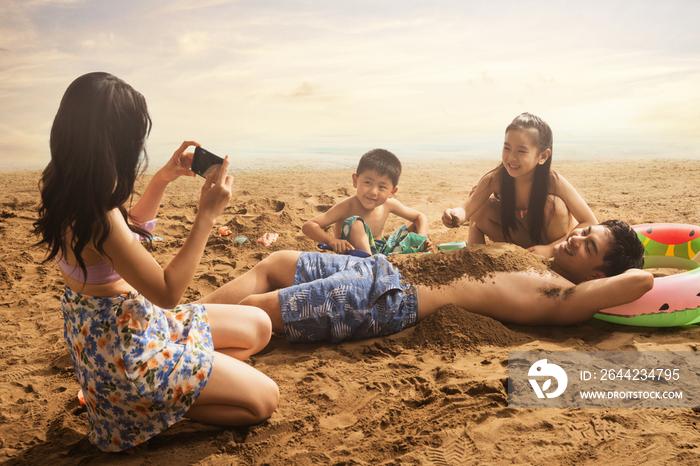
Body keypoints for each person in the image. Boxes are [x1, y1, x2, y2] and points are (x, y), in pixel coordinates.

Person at [33, 72, 278, 452]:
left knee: (259, 326)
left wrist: (163, 179)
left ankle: (173, 387)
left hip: (125, 328)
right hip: (130, 354)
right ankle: (148, 410)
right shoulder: (97, 214)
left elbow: (124, 235)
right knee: (264, 400)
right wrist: (206, 217)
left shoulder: (67, 185)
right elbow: (167, 291)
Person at [199, 220, 652, 343]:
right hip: (381, 266)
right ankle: (173, 320)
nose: (576, 237)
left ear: (597, 275)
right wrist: (592, 235)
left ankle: (170, 338)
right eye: (583, 232)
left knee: (261, 306)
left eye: (588, 246)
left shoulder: (564, 296)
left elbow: (641, 280)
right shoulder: (539, 255)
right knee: (276, 261)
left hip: (387, 297)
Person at [442, 113, 598, 257]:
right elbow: (467, 208)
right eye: (507, 148)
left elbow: (590, 222)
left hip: (556, 244)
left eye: (521, 151)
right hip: (523, 243)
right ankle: (479, 259)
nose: (511, 157)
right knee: (481, 207)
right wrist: (454, 215)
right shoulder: (496, 179)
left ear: (542, 156)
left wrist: (551, 249)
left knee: (553, 205)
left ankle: (550, 256)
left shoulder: (553, 182)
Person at [302, 148, 431, 255]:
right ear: (355, 181)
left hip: (383, 252)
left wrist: (421, 237)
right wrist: (331, 241)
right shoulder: (347, 207)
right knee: (355, 223)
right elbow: (309, 226)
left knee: (414, 224)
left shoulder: (388, 205)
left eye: (382, 187)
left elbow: (420, 216)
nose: (373, 191)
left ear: (392, 191)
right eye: (368, 182)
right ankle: (370, 264)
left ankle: (382, 261)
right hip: (353, 256)